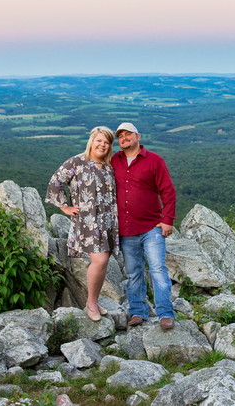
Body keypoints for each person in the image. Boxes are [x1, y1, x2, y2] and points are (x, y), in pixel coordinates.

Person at [46, 126, 119, 322]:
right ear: (91, 141)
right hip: (87, 221)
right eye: (99, 141)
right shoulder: (78, 162)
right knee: (100, 261)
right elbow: (56, 181)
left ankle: (93, 300)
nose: (102, 145)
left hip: (108, 221)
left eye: (107, 142)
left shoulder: (110, 166)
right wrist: (64, 207)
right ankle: (91, 303)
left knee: (103, 263)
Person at [110, 122, 178, 330]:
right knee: (133, 273)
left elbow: (168, 192)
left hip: (151, 227)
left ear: (138, 136)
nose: (124, 138)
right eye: (120, 135)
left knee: (158, 270)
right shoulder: (114, 160)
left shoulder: (155, 161)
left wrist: (167, 220)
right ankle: (138, 312)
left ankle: (165, 313)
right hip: (126, 229)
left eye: (128, 134)